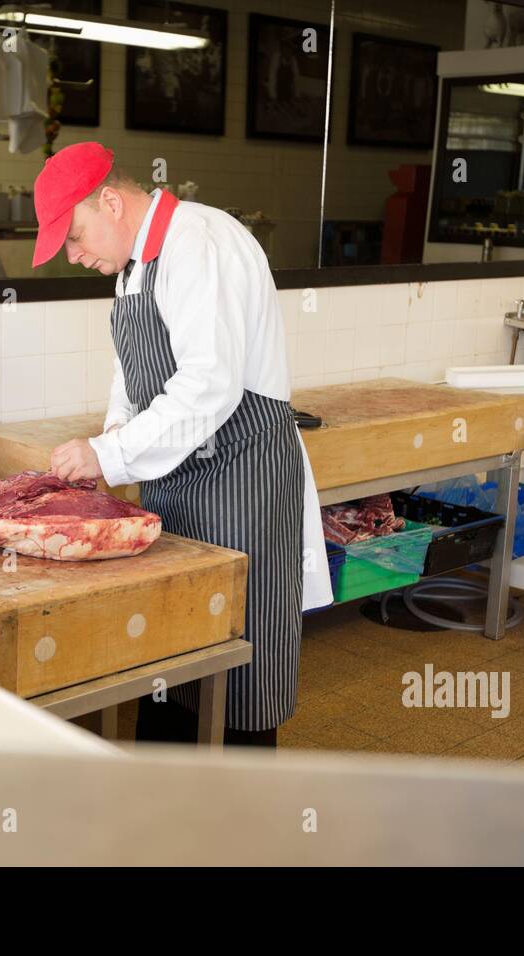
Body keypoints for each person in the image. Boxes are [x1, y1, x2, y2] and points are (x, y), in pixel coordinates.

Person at [33, 142, 332, 748]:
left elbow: (208, 385)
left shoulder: (199, 243)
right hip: (177, 480)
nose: (75, 255)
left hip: (240, 475)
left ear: (111, 202)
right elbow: (133, 372)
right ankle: (166, 807)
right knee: (170, 648)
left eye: (76, 237)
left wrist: (107, 455)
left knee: (241, 666)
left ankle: (245, 823)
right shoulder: (134, 268)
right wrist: (114, 434)